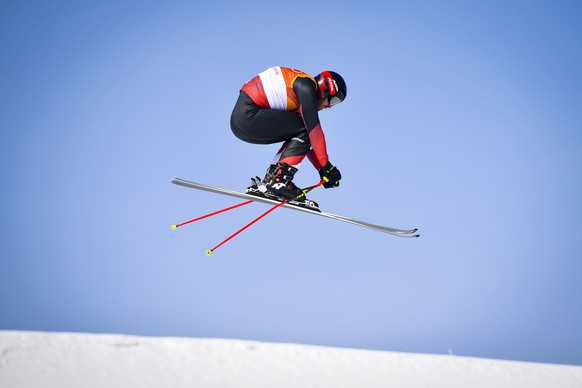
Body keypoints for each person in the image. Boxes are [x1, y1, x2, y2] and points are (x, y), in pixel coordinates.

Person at [230, 66, 346, 207]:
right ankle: (279, 181)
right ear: (325, 89)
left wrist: (322, 169)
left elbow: (304, 143)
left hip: (242, 119)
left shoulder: (300, 96)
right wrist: (326, 166)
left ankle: (273, 179)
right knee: (306, 128)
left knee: (301, 130)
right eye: (333, 100)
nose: (330, 107)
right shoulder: (307, 85)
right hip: (249, 113)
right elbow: (313, 131)